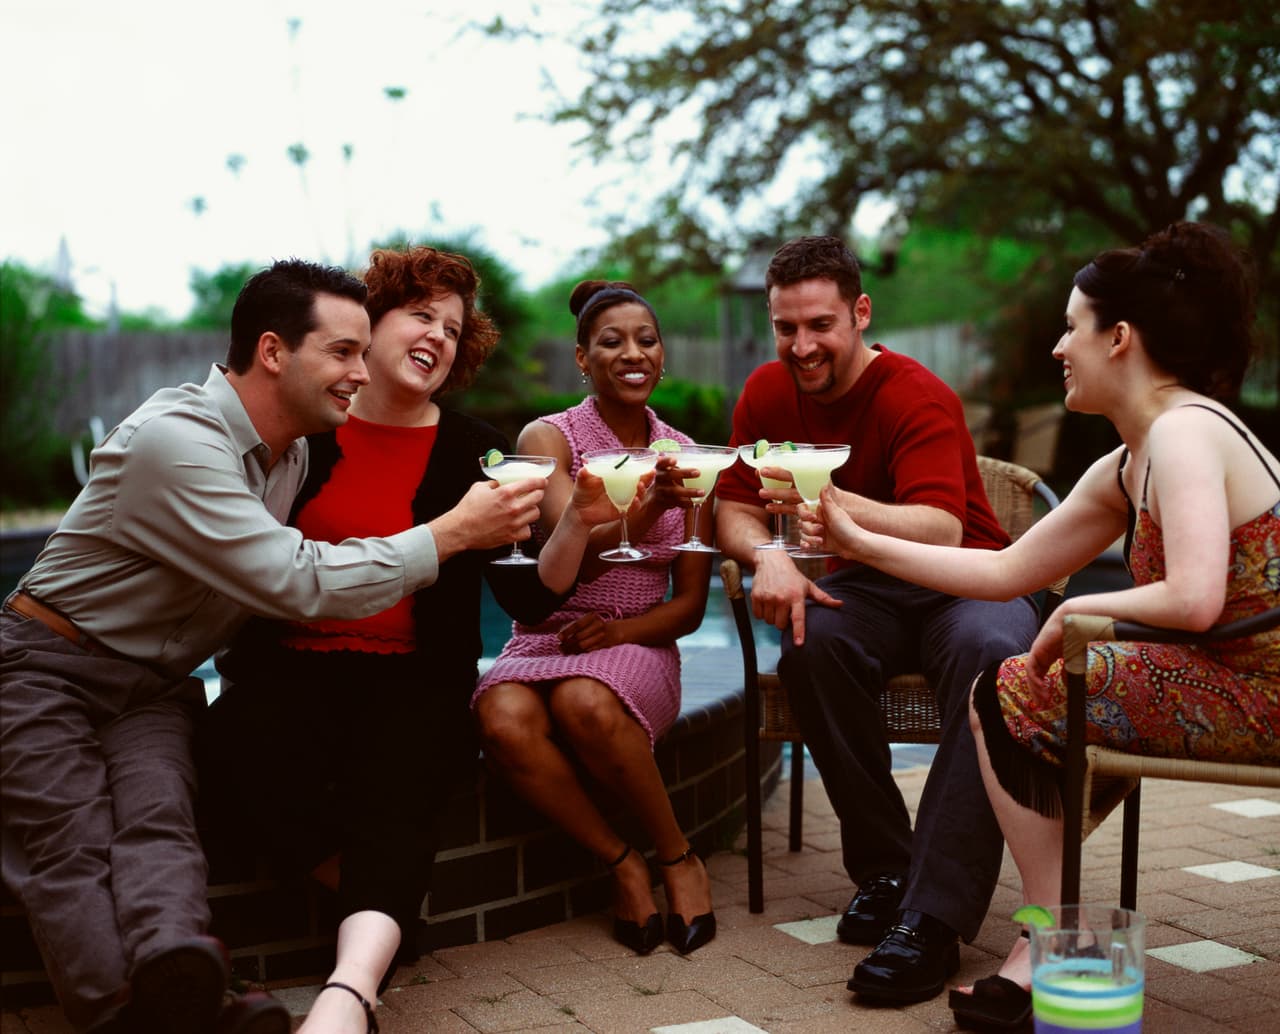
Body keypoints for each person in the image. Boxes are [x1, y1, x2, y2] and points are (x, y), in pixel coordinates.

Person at [0, 259, 562, 1034]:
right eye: (342, 353)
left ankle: (185, 989)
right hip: (45, 665)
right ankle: (148, 1016)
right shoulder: (176, 441)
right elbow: (295, 580)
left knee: (161, 822)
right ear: (273, 352)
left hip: (154, 683)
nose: (359, 373)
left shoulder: (291, 453)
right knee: (73, 841)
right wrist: (451, 533)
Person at [801, 221, 1279, 1032]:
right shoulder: (1129, 462)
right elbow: (1001, 570)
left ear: (1119, 338)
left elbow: (1195, 598)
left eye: (1071, 326)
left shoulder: (1187, 430)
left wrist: (1074, 610)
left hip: (1262, 692)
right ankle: (1050, 940)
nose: (1059, 347)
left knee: (1019, 690)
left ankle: (1052, 942)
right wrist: (855, 540)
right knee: (1020, 689)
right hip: (1221, 676)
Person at [196, 247, 621, 1034]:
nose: (438, 336)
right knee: (229, 752)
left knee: (403, 786)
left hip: (412, 677)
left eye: (454, 329)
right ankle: (385, 915)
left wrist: (578, 526)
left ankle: (348, 996)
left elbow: (528, 597)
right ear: (370, 324)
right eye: (420, 314)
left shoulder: (475, 450)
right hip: (286, 666)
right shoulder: (306, 432)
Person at [714, 236, 1040, 1004]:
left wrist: (831, 507)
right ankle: (890, 868)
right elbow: (731, 504)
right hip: (870, 591)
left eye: (820, 325)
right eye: (785, 327)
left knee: (992, 657)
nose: (802, 346)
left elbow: (942, 529)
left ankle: (933, 917)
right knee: (811, 641)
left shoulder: (914, 394)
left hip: (969, 583)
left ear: (860, 313)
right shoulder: (765, 393)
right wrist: (769, 554)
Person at [471, 280, 718, 956]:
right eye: (611, 342)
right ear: (583, 358)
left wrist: (619, 633)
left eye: (646, 340)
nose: (631, 353)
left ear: (662, 355)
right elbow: (565, 554)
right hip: (545, 633)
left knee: (584, 698)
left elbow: (690, 607)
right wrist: (640, 512)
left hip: (634, 643)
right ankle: (622, 862)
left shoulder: (692, 459)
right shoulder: (548, 440)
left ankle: (676, 857)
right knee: (500, 718)